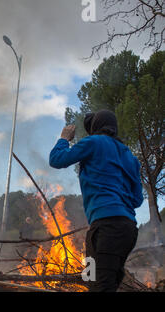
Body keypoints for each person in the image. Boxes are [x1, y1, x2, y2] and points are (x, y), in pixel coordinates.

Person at [49, 110, 143, 292]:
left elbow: (57, 159)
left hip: (106, 228)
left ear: (96, 128)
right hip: (127, 230)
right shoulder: (130, 157)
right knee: (94, 277)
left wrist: (63, 139)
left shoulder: (94, 142)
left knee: (100, 285)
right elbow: (137, 200)